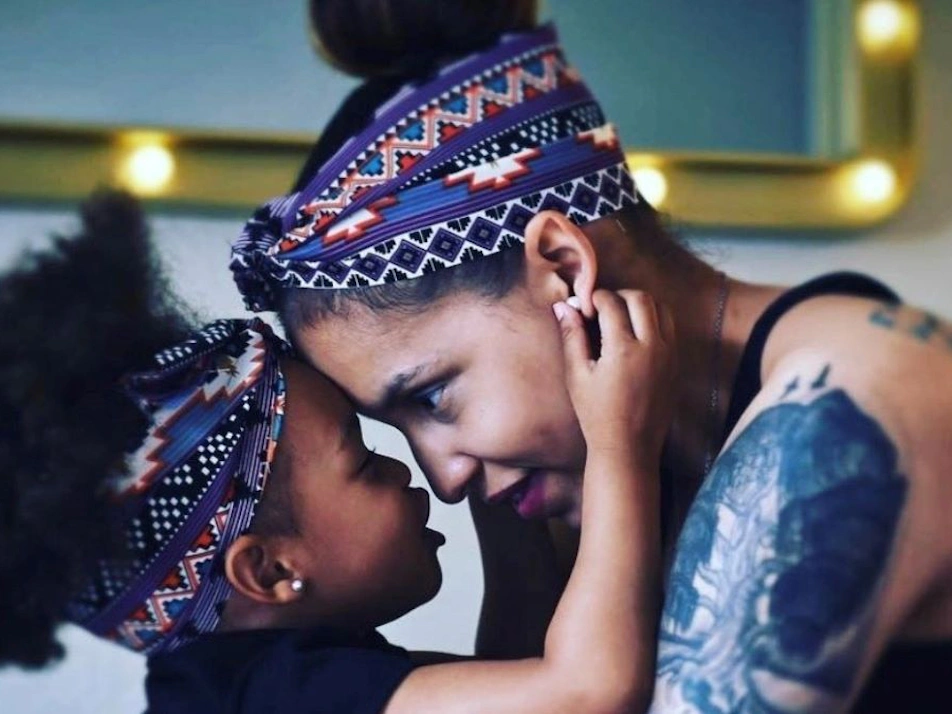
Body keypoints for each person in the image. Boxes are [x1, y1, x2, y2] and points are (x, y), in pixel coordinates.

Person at [229, 1, 952, 712]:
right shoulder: (587, 464)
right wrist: (515, 512)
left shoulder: (848, 403)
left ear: (567, 271)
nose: (445, 482)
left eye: (433, 399)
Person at [0, 190, 675, 714]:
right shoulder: (276, 693)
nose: (423, 477)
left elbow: (518, 670)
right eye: (365, 461)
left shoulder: (238, 681)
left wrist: (492, 483)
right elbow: (584, 695)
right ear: (267, 570)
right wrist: (621, 443)